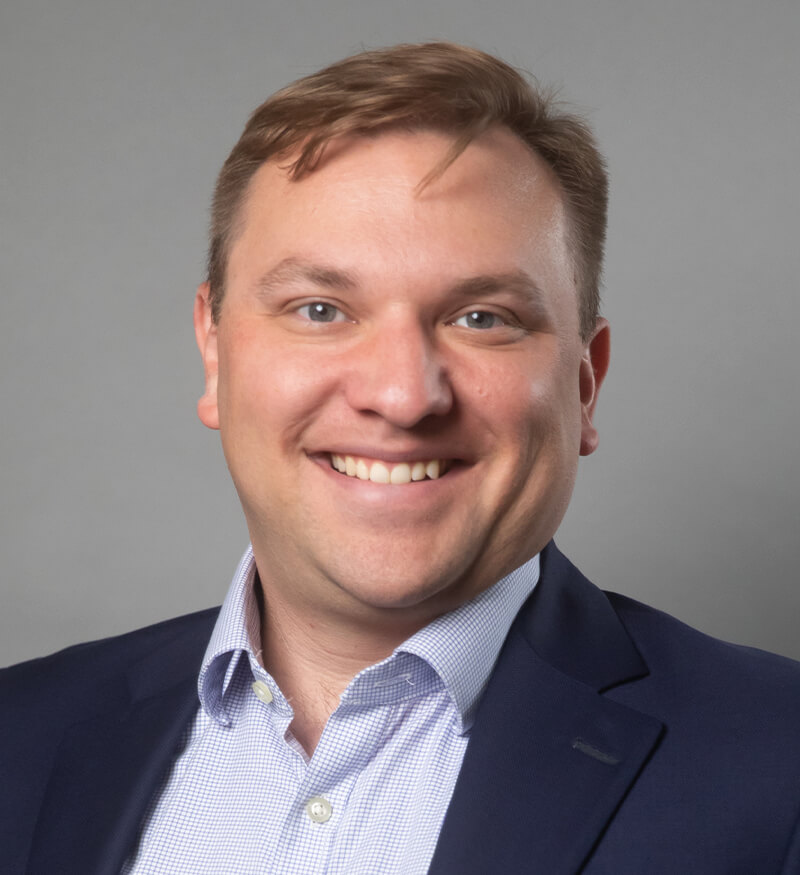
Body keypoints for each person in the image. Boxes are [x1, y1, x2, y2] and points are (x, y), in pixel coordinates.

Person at [2, 41, 800, 875]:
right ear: (214, 351)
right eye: (320, 308)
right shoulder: (19, 740)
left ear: (585, 382)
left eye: (482, 318)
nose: (403, 395)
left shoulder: (780, 765)